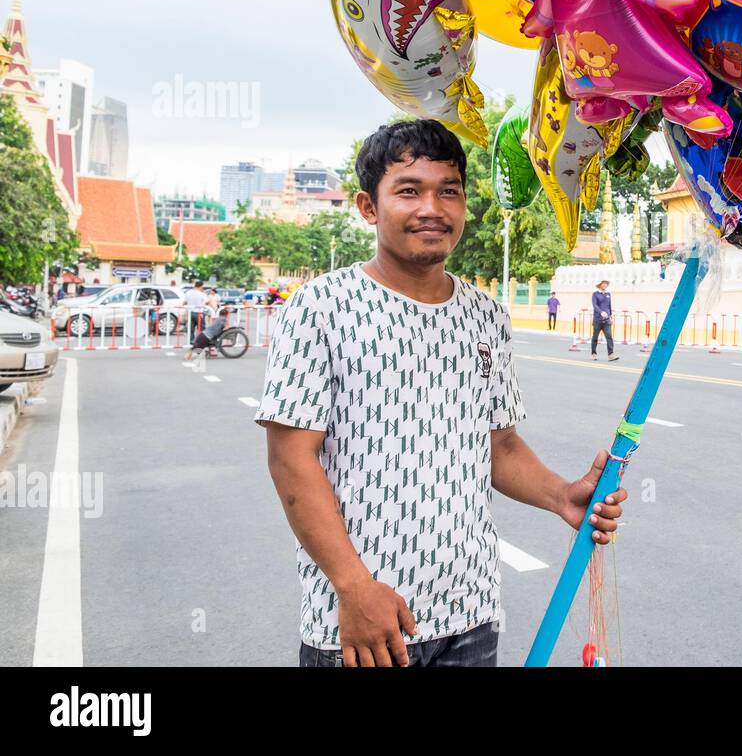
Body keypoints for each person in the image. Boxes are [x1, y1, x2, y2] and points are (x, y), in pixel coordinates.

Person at [256, 119, 626, 668]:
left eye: (448, 191)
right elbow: (292, 457)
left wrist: (559, 496)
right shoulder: (320, 307)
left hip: (470, 616)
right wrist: (353, 586)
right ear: (368, 206)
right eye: (409, 191)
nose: (433, 207)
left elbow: (498, 447)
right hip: (365, 623)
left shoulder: (485, 315)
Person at [591, 280, 617, 362]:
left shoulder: (608, 294)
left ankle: (611, 354)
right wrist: (601, 312)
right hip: (598, 319)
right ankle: (594, 353)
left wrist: (610, 317)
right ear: (600, 284)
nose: (605, 285)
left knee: (609, 337)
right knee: (595, 337)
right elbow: (595, 305)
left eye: (606, 283)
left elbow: (609, 306)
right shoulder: (595, 294)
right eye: (604, 283)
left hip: (606, 320)